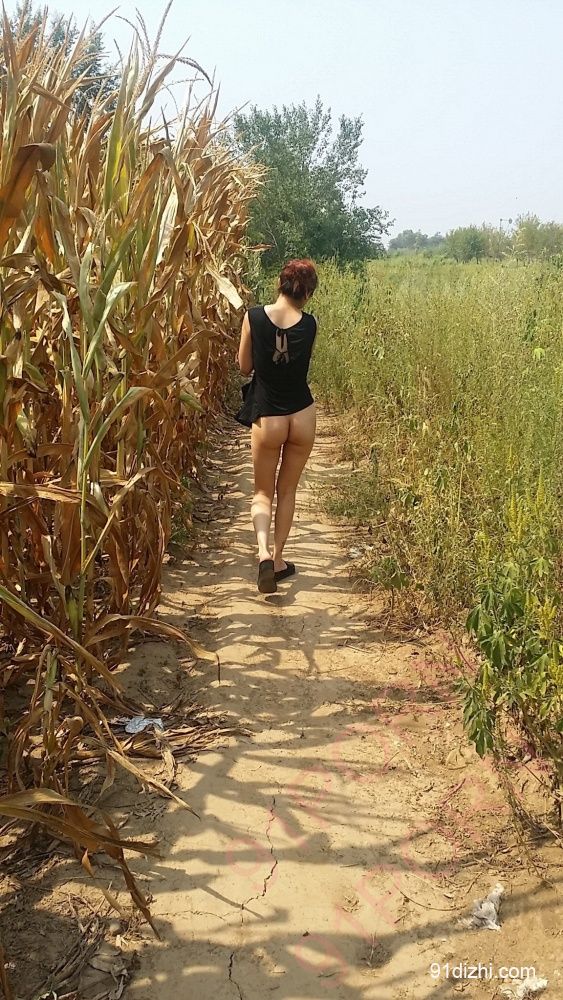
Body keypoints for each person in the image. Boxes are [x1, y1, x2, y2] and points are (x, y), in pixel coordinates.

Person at [236, 259, 318, 594]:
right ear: (307, 293)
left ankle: (264, 555)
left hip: (267, 415)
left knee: (262, 492)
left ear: (278, 284)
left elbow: (244, 367)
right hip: (302, 415)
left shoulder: (253, 317)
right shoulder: (310, 324)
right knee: (287, 491)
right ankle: (281, 559)